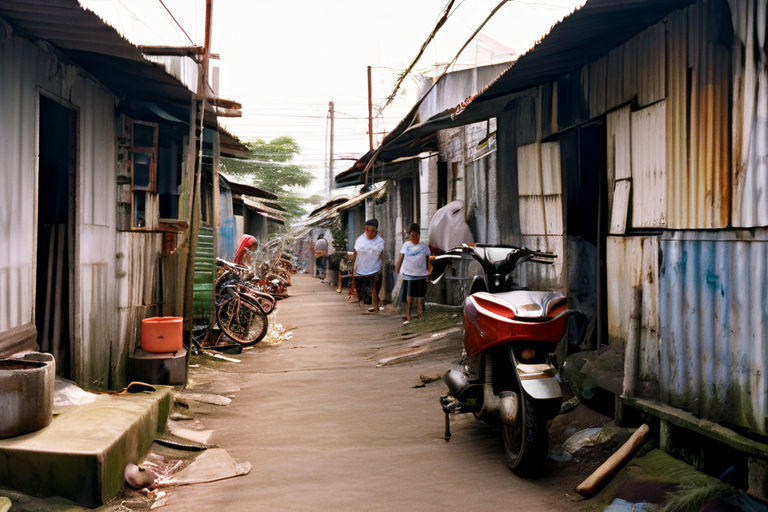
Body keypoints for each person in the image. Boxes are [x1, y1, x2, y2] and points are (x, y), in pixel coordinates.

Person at [395, 223, 431, 324]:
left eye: (416, 235)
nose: (414, 237)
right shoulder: (406, 245)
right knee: (409, 299)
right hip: (409, 276)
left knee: (420, 300)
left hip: (421, 276)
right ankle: (408, 316)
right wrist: (397, 270)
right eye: (412, 235)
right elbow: (401, 258)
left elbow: (428, 260)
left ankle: (420, 317)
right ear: (410, 235)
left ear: (419, 235)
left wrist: (429, 273)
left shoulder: (424, 247)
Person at [351, 218, 385, 313]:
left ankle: (376, 308)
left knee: (374, 289)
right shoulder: (360, 240)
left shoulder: (380, 241)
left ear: (376, 231)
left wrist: (382, 270)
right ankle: (361, 306)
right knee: (360, 289)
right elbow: (355, 253)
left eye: (373, 231)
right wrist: (353, 266)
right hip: (360, 269)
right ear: (365, 229)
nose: (370, 233)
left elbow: (383, 256)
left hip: (375, 269)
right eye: (368, 230)